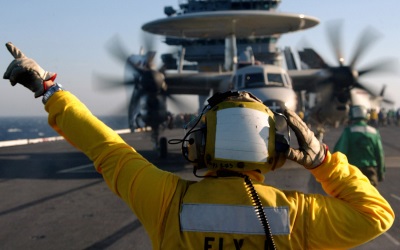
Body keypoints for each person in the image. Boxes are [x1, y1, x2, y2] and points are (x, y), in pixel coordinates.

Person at [3, 42, 394, 249]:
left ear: (199, 144)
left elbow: (106, 147)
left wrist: (49, 90)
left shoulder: (165, 201)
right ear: (274, 149)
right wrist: (324, 161)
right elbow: (377, 215)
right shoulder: (298, 215)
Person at [334, 105, 386, 187]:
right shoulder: (374, 132)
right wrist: (381, 173)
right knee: (370, 197)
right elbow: (380, 154)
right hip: (370, 172)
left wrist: (336, 173)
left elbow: (339, 152)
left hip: (353, 173)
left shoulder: (348, 131)